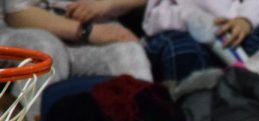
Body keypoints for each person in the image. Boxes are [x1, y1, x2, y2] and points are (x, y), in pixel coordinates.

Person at [1, 0, 152, 84]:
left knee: (128, 51)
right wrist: (86, 31)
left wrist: (107, 4)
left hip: (93, 31)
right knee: (45, 50)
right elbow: (17, 14)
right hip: (22, 32)